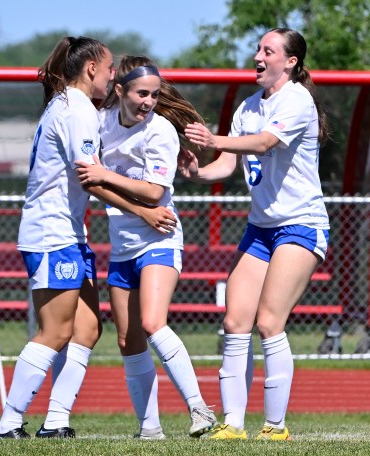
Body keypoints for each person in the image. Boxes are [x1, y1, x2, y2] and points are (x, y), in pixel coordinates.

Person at [0, 37, 175, 440]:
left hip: (68, 233)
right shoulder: (78, 110)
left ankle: (56, 422)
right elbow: (89, 178)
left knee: (88, 329)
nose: (113, 76)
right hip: (52, 232)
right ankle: (8, 424)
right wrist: (143, 210)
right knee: (55, 332)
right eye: (110, 69)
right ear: (91, 68)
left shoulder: (67, 104)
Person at [179, 28, 330, 440]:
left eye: (269, 51)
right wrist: (195, 172)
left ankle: (275, 427)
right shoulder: (247, 107)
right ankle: (233, 425)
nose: (258, 56)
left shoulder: (297, 100)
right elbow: (226, 166)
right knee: (235, 320)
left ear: (291, 61)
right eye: (258, 49)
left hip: (300, 224)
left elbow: (264, 143)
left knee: (269, 322)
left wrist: (213, 138)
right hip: (261, 228)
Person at [75, 55, 217, 439]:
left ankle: (199, 408)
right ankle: (149, 428)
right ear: (119, 91)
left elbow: (155, 193)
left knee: (153, 323)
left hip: (160, 237)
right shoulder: (100, 123)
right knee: (128, 338)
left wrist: (107, 176)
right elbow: (92, 183)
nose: (149, 102)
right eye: (141, 93)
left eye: (154, 95)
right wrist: (131, 203)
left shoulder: (161, 132)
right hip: (123, 245)